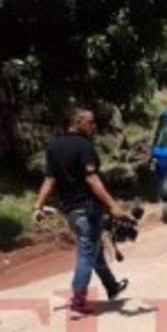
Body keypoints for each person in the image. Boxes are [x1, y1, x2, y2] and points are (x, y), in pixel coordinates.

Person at [33, 107, 131, 315]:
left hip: (70, 211)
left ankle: (112, 286)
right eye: (91, 122)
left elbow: (50, 179)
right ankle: (78, 300)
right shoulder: (84, 146)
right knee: (86, 254)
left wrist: (38, 206)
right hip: (87, 209)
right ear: (78, 122)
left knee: (93, 249)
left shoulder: (54, 146)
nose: (94, 126)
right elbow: (92, 179)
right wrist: (113, 206)